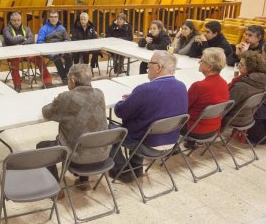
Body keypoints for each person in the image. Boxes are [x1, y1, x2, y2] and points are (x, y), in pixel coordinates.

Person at [109, 51, 188, 183]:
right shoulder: (182, 87)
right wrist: (135, 99)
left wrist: (124, 102)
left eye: (149, 63)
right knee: (144, 121)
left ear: (158, 67)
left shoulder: (145, 90)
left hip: (148, 144)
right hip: (171, 143)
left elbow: (120, 112)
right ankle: (137, 167)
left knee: (108, 130)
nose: (147, 67)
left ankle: (121, 170)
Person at [37, 64, 109, 191]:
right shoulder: (100, 94)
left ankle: (54, 189)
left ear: (73, 80)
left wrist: (56, 102)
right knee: (87, 132)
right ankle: (84, 182)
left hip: (77, 160)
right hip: (102, 157)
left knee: (42, 146)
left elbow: (46, 112)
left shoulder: (66, 97)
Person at [184, 47, 229, 149]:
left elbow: (183, 107)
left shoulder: (199, 86)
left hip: (195, 129)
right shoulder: (223, 83)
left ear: (210, 66)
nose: (199, 62)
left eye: (202, 60)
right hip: (213, 128)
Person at [3, 12, 53, 91]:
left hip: (27, 52)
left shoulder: (26, 28)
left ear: (21, 20)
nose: (16, 22)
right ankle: (17, 85)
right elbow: (10, 40)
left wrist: (20, 42)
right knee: (14, 63)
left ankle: (47, 81)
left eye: (18, 20)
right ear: (11, 21)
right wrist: (23, 38)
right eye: (14, 20)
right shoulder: (6, 29)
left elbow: (31, 39)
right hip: (14, 53)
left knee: (39, 59)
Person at [225, 51, 266, 128]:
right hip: (248, 117)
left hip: (234, 118)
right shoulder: (263, 80)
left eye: (241, 65)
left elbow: (225, 107)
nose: (238, 66)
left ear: (250, 67)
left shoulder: (241, 86)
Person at [37, 10, 72, 84]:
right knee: (56, 57)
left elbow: (67, 39)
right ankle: (64, 78)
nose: (53, 19)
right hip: (49, 51)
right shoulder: (43, 29)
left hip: (61, 49)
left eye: (55, 17)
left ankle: (66, 74)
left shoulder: (62, 28)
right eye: (52, 17)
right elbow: (39, 42)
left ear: (58, 18)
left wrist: (63, 44)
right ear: (48, 18)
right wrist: (50, 48)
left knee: (70, 55)